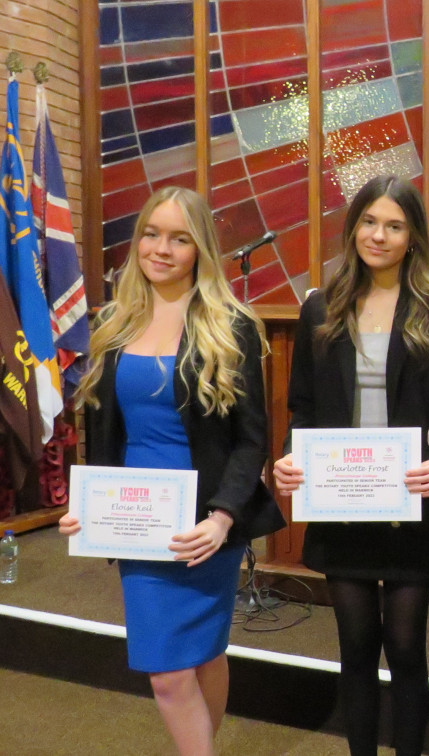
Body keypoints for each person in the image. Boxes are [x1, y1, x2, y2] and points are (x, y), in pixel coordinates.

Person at [59, 186, 286, 755]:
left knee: (200, 656)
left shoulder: (228, 324)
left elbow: (251, 439)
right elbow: (107, 431)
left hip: (203, 527)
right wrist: (84, 507)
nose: (161, 249)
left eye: (179, 238)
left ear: (200, 249)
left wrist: (223, 518)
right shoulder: (112, 324)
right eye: (151, 234)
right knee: (171, 668)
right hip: (136, 523)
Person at [272, 175, 429, 756]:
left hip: (410, 505)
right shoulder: (322, 306)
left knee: (408, 649)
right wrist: (292, 456)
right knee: (356, 649)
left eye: (394, 225)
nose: (379, 236)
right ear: (353, 227)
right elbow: (304, 409)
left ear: (413, 236)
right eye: (369, 222)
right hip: (341, 504)